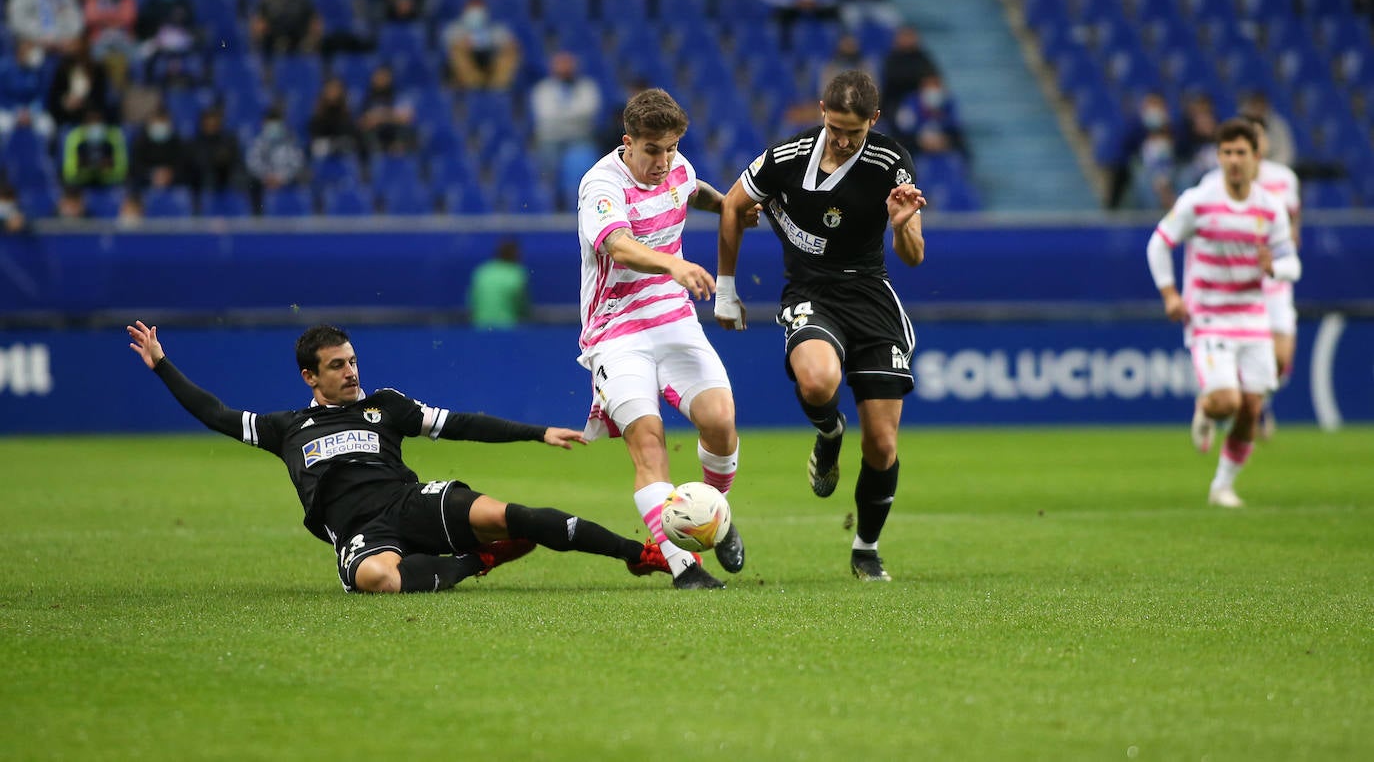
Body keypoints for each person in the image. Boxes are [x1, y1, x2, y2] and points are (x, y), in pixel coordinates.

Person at [125, 321, 671, 593]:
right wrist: (162, 364)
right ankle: (476, 562)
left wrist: (537, 432)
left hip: (410, 501)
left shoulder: (385, 406)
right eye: (336, 366)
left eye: (352, 361)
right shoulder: (285, 428)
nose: (350, 372)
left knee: (512, 515)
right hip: (360, 529)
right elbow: (217, 414)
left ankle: (639, 554)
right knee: (378, 580)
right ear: (310, 376)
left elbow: (460, 424)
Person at [715, 70, 926, 582]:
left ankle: (866, 549)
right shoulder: (786, 157)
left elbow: (914, 256)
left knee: (882, 445)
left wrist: (901, 228)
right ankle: (830, 431)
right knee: (817, 381)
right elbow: (733, 204)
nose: (843, 140)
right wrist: (725, 288)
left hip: (870, 297)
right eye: (835, 128)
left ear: (874, 120)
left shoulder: (891, 162)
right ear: (822, 112)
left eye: (855, 131)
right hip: (811, 294)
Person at [575, 88, 753, 589]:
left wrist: (728, 206)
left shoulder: (676, 166)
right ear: (627, 142)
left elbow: (691, 190)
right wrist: (674, 265)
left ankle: (715, 515)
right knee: (649, 443)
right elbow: (618, 245)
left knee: (720, 421)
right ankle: (684, 568)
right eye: (652, 150)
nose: (663, 161)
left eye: (671, 148)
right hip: (615, 332)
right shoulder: (602, 185)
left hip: (673, 320)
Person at [1146, 118, 1300, 508]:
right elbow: (1158, 244)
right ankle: (1206, 406)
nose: (1233, 160)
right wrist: (1170, 294)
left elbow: (1292, 263)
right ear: (1217, 156)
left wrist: (1274, 268)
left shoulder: (1270, 207)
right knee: (1227, 402)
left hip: (1253, 318)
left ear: (1256, 157)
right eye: (1226, 152)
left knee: (1251, 409)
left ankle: (1222, 486)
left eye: (1240, 153)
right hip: (1209, 317)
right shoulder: (1198, 201)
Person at [1200, 117, 1302, 441]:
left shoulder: (1284, 179)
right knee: (1244, 359)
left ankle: (1258, 403)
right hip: (1236, 285)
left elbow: (1293, 222)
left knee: (1281, 358)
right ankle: (1230, 401)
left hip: (1274, 278)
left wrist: (1282, 257)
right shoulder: (1212, 183)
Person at [442, 0, 520, 90]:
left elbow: (509, 43)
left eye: (478, 8)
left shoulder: (495, 29)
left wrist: (482, 42)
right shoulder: (454, 28)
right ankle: (475, 85)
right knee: (456, 51)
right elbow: (449, 46)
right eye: (472, 8)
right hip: (464, 71)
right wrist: (471, 42)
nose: (475, 13)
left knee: (510, 52)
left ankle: (496, 88)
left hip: (490, 64)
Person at [251, 0, 322, 57]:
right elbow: (258, 24)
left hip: (300, 43)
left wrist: (312, 40)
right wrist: (260, 36)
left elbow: (315, 22)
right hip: (273, 42)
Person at [468, 239, 530, 329]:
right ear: (516, 255)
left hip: (480, 327)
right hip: (508, 328)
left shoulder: (482, 272)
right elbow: (523, 308)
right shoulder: (517, 274)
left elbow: (471, 303)